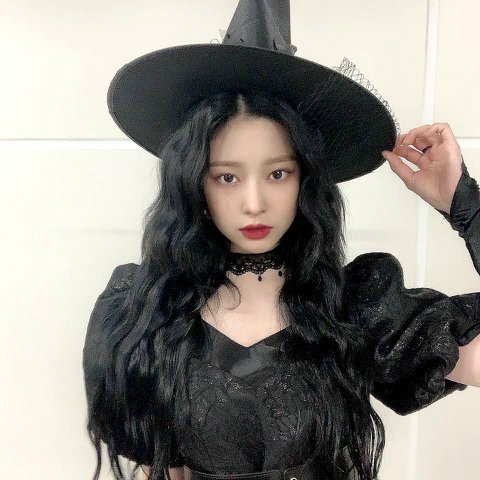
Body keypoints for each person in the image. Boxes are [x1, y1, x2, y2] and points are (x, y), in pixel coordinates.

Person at [82, 2, 480, 480]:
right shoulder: (144, 312)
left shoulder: (353, 308)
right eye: (227, 177)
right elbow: (158, 470)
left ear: (304, 181)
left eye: (277, 174)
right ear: (194, 184)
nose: (254, 203)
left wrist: (464, 205)